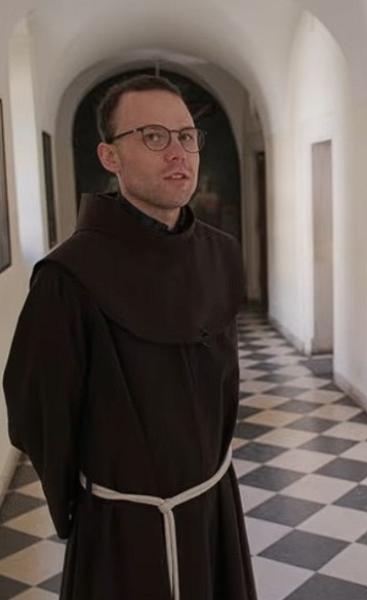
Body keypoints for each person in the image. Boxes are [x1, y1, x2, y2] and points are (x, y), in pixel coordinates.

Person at [3, 75, 255, 599]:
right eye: (153, 136)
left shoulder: (221, 254)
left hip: (213, 506)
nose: (178, 153)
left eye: (186, 136)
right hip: (123, 527)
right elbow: (35, 410)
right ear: (110, 157)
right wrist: (92, 502)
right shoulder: (69, 277)